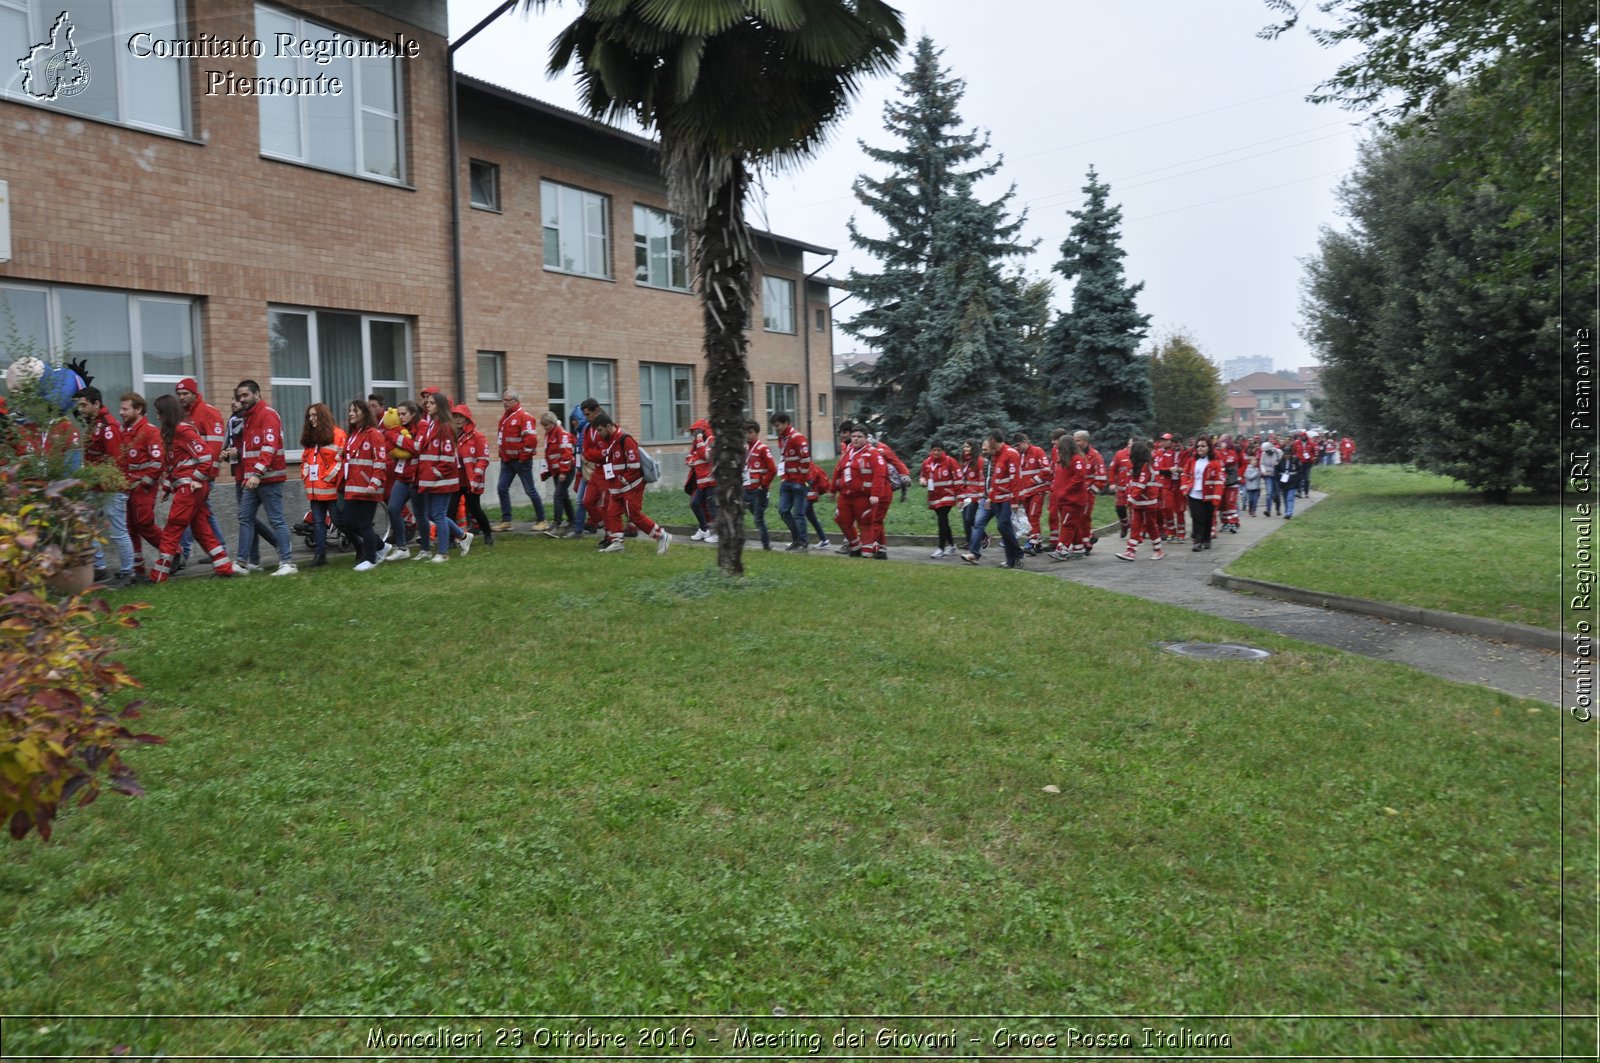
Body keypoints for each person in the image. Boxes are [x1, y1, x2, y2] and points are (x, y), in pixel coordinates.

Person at [149, 393, 235, 581]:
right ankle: (224, 567)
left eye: (159, 413)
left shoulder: (182, 430)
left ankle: (158, 574)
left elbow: (205, 456)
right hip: (189, 487)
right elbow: (172, 465)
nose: (157, 417)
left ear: (167, 413)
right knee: (201, 529)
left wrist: (196, 478)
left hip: (191, 488)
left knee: (173, 527)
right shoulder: (173, 432)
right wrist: (167, 488)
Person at [231, 380, 296, 576]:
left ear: (257, 394)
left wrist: (257, 473)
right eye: (239, 396)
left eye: (245, 395)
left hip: (268, 478)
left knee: (276, 520)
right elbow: (252, 449)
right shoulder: (248, 417)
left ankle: (288, 563)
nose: (242, 399)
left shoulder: (267, 414)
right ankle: (242, 563)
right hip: (253, 479)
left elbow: (269, 447)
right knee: (245, 517)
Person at [73, 385, 134, 588]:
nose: (80, 409)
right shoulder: (94, 423)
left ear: (96, 404)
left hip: (111, 489)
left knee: (118, 532)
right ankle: (99, 567)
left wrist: (100, 480)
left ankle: (128, 572)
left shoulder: (108, 426)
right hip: (96, 488)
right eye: (79, 405)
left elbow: (114, 459)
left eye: (84, 405)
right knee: (86, 526)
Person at [590, 412, 670, 554]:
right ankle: (617, 542)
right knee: (612, 512)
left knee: (633, 515)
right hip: (618, 486)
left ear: (609, 426)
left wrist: (622, 481)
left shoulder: (625, 439)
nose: (598, 434)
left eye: (600, 430)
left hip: (631, 485)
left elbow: (634, 464)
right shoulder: (610, 441)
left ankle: (662, 536)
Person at [173, 377, 229, 569]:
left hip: (201, 475)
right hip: (191, 474)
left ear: (195, 394)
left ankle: (185, 553)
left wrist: (205, 474)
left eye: (185, 394)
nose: (181, 397)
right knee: (202, 513)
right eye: (179, 394)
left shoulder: (208, 412)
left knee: (191, 513)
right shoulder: (184, 414)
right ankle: (218, 549)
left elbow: (213, 447)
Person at [410, 391, 467, 562]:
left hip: (442, 480)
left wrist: (436, 472)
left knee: (439, 515)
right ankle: (462, 535)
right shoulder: (431, 425)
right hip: (430, 479)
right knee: (431, 514)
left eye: (432, 403)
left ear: (440, 406)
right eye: (427, 402)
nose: (427, 405)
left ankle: (443, 553)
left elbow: (448, 457)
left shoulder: (445, 427)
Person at [960, 431, 1024, 568]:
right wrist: (991, 496)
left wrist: (1014, 500)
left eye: (989, 441)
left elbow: (1015, 478)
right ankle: (1011, 560)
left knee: (1003, 525)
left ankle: (1017, 554)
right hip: (996, 498)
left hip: (1007, 497)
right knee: (1003, 528)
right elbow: (994, 479)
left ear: (993, 440)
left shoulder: (1010, 454)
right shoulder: (996, 455)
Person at [338, 400, 388, 571]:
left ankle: (371, 559)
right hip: (353, 487)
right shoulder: (353, 434)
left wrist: (374, 483)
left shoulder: (374, 434)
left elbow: (380, 461)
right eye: (350, 410)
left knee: (364, 524)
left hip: (368, 488)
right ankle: (381, 546)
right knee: (348, 523)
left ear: (364, 413)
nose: (351, 413)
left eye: (355, 410)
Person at [119, 392, 164, 584]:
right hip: (126, 487)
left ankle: (171, 551)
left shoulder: (149, 431)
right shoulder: (124, 431)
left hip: (143, 488)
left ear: (138, 410)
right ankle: (137, 568)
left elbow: (158, 462)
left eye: (125, 409)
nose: (121, 412)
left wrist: (144, 482)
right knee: (130, 527)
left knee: (144, 523)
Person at [298, 402, 345, 567]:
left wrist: (327, 477)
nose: (311, 419)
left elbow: (340, 461)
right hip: (315, 489)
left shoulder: (338, 434)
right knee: (318, 523)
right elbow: (305, 460)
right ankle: (320, 556)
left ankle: (362, 545)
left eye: (314, 415)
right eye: (309, 416)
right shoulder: (310, 437)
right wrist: (305, 476)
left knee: (339, 522)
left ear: (323, 416)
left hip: (330, 488)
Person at [494, 389, 546, 532]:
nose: (504, 403)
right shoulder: (505, 418)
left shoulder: (524, 417)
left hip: (521, 461)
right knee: (501, 488)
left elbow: (531, 440)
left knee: (530, 490)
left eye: (507, 400)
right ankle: (506, 521)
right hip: (507, 461)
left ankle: (542, 520)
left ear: (516, 401)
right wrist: (502, 454)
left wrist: (523, 458)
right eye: (503, 400)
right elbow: (502, 439)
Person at [833, 424, 889, 558]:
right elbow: (838, 470)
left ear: (866, 438)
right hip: (846, 495)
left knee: (866, 522)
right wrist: (832, 489)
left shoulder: (873, 453)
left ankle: (870, 550)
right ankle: (855, 545)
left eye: (859, 437)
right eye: (853, 436)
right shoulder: (848, 451)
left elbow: (879, 474)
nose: (856, 439)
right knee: (841, 519)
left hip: (864, 496)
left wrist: (875, 494)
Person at [380, 400, 425, 559]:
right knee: (393, 508)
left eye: (404, 414)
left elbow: (415, 448)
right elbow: (394, 449)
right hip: (404, 475)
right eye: (399, 414)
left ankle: (426, 548)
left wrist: (393, 435)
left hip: (417, 476)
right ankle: (402, 548)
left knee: (423, 514)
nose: (401, 417)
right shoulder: (400, 429)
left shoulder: (422, 426)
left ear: (413, 414)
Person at [1113, 440, 1165, 562]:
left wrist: (1129, 499)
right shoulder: (1138, 465)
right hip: (1139, 502)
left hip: (1148, 502)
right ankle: (1131, 551)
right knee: (1135, 526)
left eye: (1131, 449)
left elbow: (1141, 485)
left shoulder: (1146, 466)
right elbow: (1133, 483)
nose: (1128, 451)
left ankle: (1158, 550)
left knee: (1151, 526)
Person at [453, 404, 494, 548]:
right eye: (455, 417)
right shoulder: (450, 436)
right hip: (455, 480)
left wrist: (477, 475)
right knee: (450, 510)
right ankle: (452, 539)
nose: (457, 420)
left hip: (471, 481)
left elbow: (483, 458)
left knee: (475, 509)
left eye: (460, 417)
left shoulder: (478, 436)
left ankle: (487, 533)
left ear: (467, 419)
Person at [1048, 433, 1093, 561]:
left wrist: (1064, 491)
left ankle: (1061, 550)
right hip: (1064, 499)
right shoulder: (1063, 460)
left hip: (1073, 500)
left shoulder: (1077, 459)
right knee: (1073, 524)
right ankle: (1078, 548)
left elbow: (1078, 478)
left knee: (1067, 525)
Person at [772, 412, 812, 550]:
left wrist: (800, 481)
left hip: (798, 482)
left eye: (777, 425)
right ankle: (796, 538)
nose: (775, 428)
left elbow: (806, 460)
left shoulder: (797, 438)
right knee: (783, 510)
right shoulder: (782, 438)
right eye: (774, 426)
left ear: (785, 423)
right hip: (786, 481)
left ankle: (803, 542)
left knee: (798, 514)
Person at [1182, 435, 1225, 551]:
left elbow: (1219, 481)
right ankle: (1197, 541)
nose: (1200, 448)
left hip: (1209, 496)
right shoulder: (1192, 461)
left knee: (1208, 519)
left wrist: (1217, 497)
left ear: (1209, 448)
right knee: (1197, 518)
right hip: (1194, 494)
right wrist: (1184, 488)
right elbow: (1185, 474)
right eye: (1198, 446)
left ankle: (1207, 539)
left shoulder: (1215, 463)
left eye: (1203, 446)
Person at [920, 442, 961, 558]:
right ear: (930, 451)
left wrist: (959, 496)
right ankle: (952, 546)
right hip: (934, 496)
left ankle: (941, 549)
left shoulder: (949, 461)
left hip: (947, 495)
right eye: (934, 450)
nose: (936, 452)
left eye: (939, 450)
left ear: (943, 451)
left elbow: (958, 478)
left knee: (942, 520)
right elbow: (923, 475)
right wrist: (922, 481)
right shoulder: (927, 462)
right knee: (943, 521)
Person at [539, 411, 577, 536]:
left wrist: (563, 472)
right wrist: (547, 471)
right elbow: (549, 455)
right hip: (557, 471)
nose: (545, 428)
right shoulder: (549, 435)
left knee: (558, 496)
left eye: (547, 425)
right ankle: (573, 521)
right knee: (563, 496)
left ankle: (557, 524)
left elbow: (566, 454)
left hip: (566, 471)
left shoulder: (562, 435)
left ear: (553, 423)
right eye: (544, 426)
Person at [1013, 431, 1049, 554]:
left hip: (1037, 490)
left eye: (1018, 445)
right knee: (1029, 517)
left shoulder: (1037, 451)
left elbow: (1046, 469)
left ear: (1025, 442)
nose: (1017, 448)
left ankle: (1032, 542)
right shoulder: (1019, 455)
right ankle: (1037, 542)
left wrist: (1033, 481)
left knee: (1033, 516)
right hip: (1026, 492)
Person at [743, 420, 777, 551]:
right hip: (747, 489)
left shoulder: (763, 448)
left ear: (756, 433)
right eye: (746, 432)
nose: (747, 435)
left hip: (759, 490)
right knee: (740, 512)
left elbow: (772, 470)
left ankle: (766, 545)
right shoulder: (746, 449)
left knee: (758, 518)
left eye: (750, 432)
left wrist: (763, 486)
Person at [684, 418, 717, 542]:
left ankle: (719, 534)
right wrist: (692, 459)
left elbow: (706, 455)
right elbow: (689, 458)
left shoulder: (710, 440)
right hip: (701, 482)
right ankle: (704, 530)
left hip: (711, 481)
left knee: (712, 507)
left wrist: (699, 441)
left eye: (695, 432)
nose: (693, 434)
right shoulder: (697, 444)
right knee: (695, 503)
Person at [955, 439, 984, 549]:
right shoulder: (964, 462)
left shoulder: (979, 461)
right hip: (965, 495)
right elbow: (961, 480)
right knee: (965, 520)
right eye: (964, 447)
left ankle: (983, 537)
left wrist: (981, 495)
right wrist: (960, 498)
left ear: (973, 448)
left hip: (975, 496)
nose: (965, 449)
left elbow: (982, 478)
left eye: (968, 447)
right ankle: (969, 542)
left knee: (969, 518)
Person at [1259, 435, 1284, 516]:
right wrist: (1264, 471)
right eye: (1265, 451)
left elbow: (1282, 460)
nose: (1267, 453)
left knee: (1277, 494)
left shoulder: (1278, 452)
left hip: (1276, 475)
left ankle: (1278, 509)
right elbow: (1261, 464)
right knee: (1269, 493)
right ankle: (1268, 510)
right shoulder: (1263, 454)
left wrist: (1279, 464)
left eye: (1268, 451)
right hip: (1268, 475)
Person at [1244, 446, 1263, 516]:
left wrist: (1260, 473)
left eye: (1256, 461)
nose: (1256, 462)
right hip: (1250, 488)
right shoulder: (1248, 469)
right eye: (1254, 460)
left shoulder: (1257, 469)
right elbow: (1249, 477)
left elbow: (1259, 477)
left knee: (1255, 500)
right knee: (1251, 500)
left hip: (1256, 487)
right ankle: (1250, 509)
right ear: (1250, 462)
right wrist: (1256, 473)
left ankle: (1253, 511)